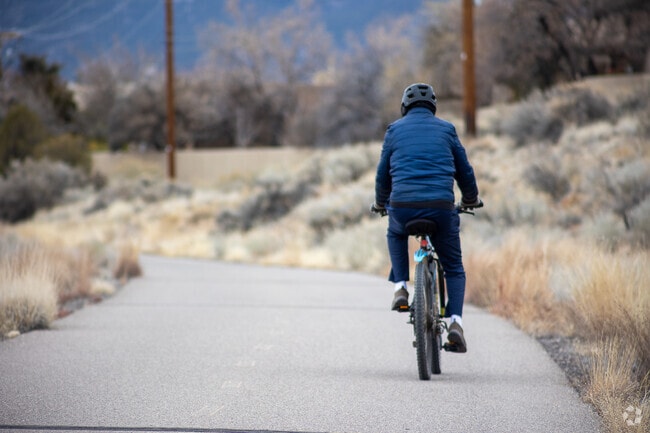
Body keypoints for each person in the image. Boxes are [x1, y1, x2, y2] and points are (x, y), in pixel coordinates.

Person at [371, 83, 482, 353]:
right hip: (440, 209)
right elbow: (464, 170)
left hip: (402, 207)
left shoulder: (394, 130)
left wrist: (380, 202)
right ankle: (455, 323)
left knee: (395, 232)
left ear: (404, 106)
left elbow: (382, 174)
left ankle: (400, 287)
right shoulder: (447, 129)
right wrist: (470, 198)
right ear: (433, 106)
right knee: (454, 267)